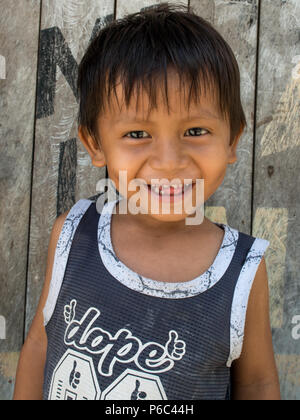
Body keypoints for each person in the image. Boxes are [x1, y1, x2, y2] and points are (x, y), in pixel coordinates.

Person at [13, 3, 281, 400]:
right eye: (137, 134)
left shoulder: (242, 270)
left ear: (232, 139)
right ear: (95, 144)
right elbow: (40, 342)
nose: (169, 162)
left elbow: (257, 383)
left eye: (195, 129)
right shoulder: (73, 234)